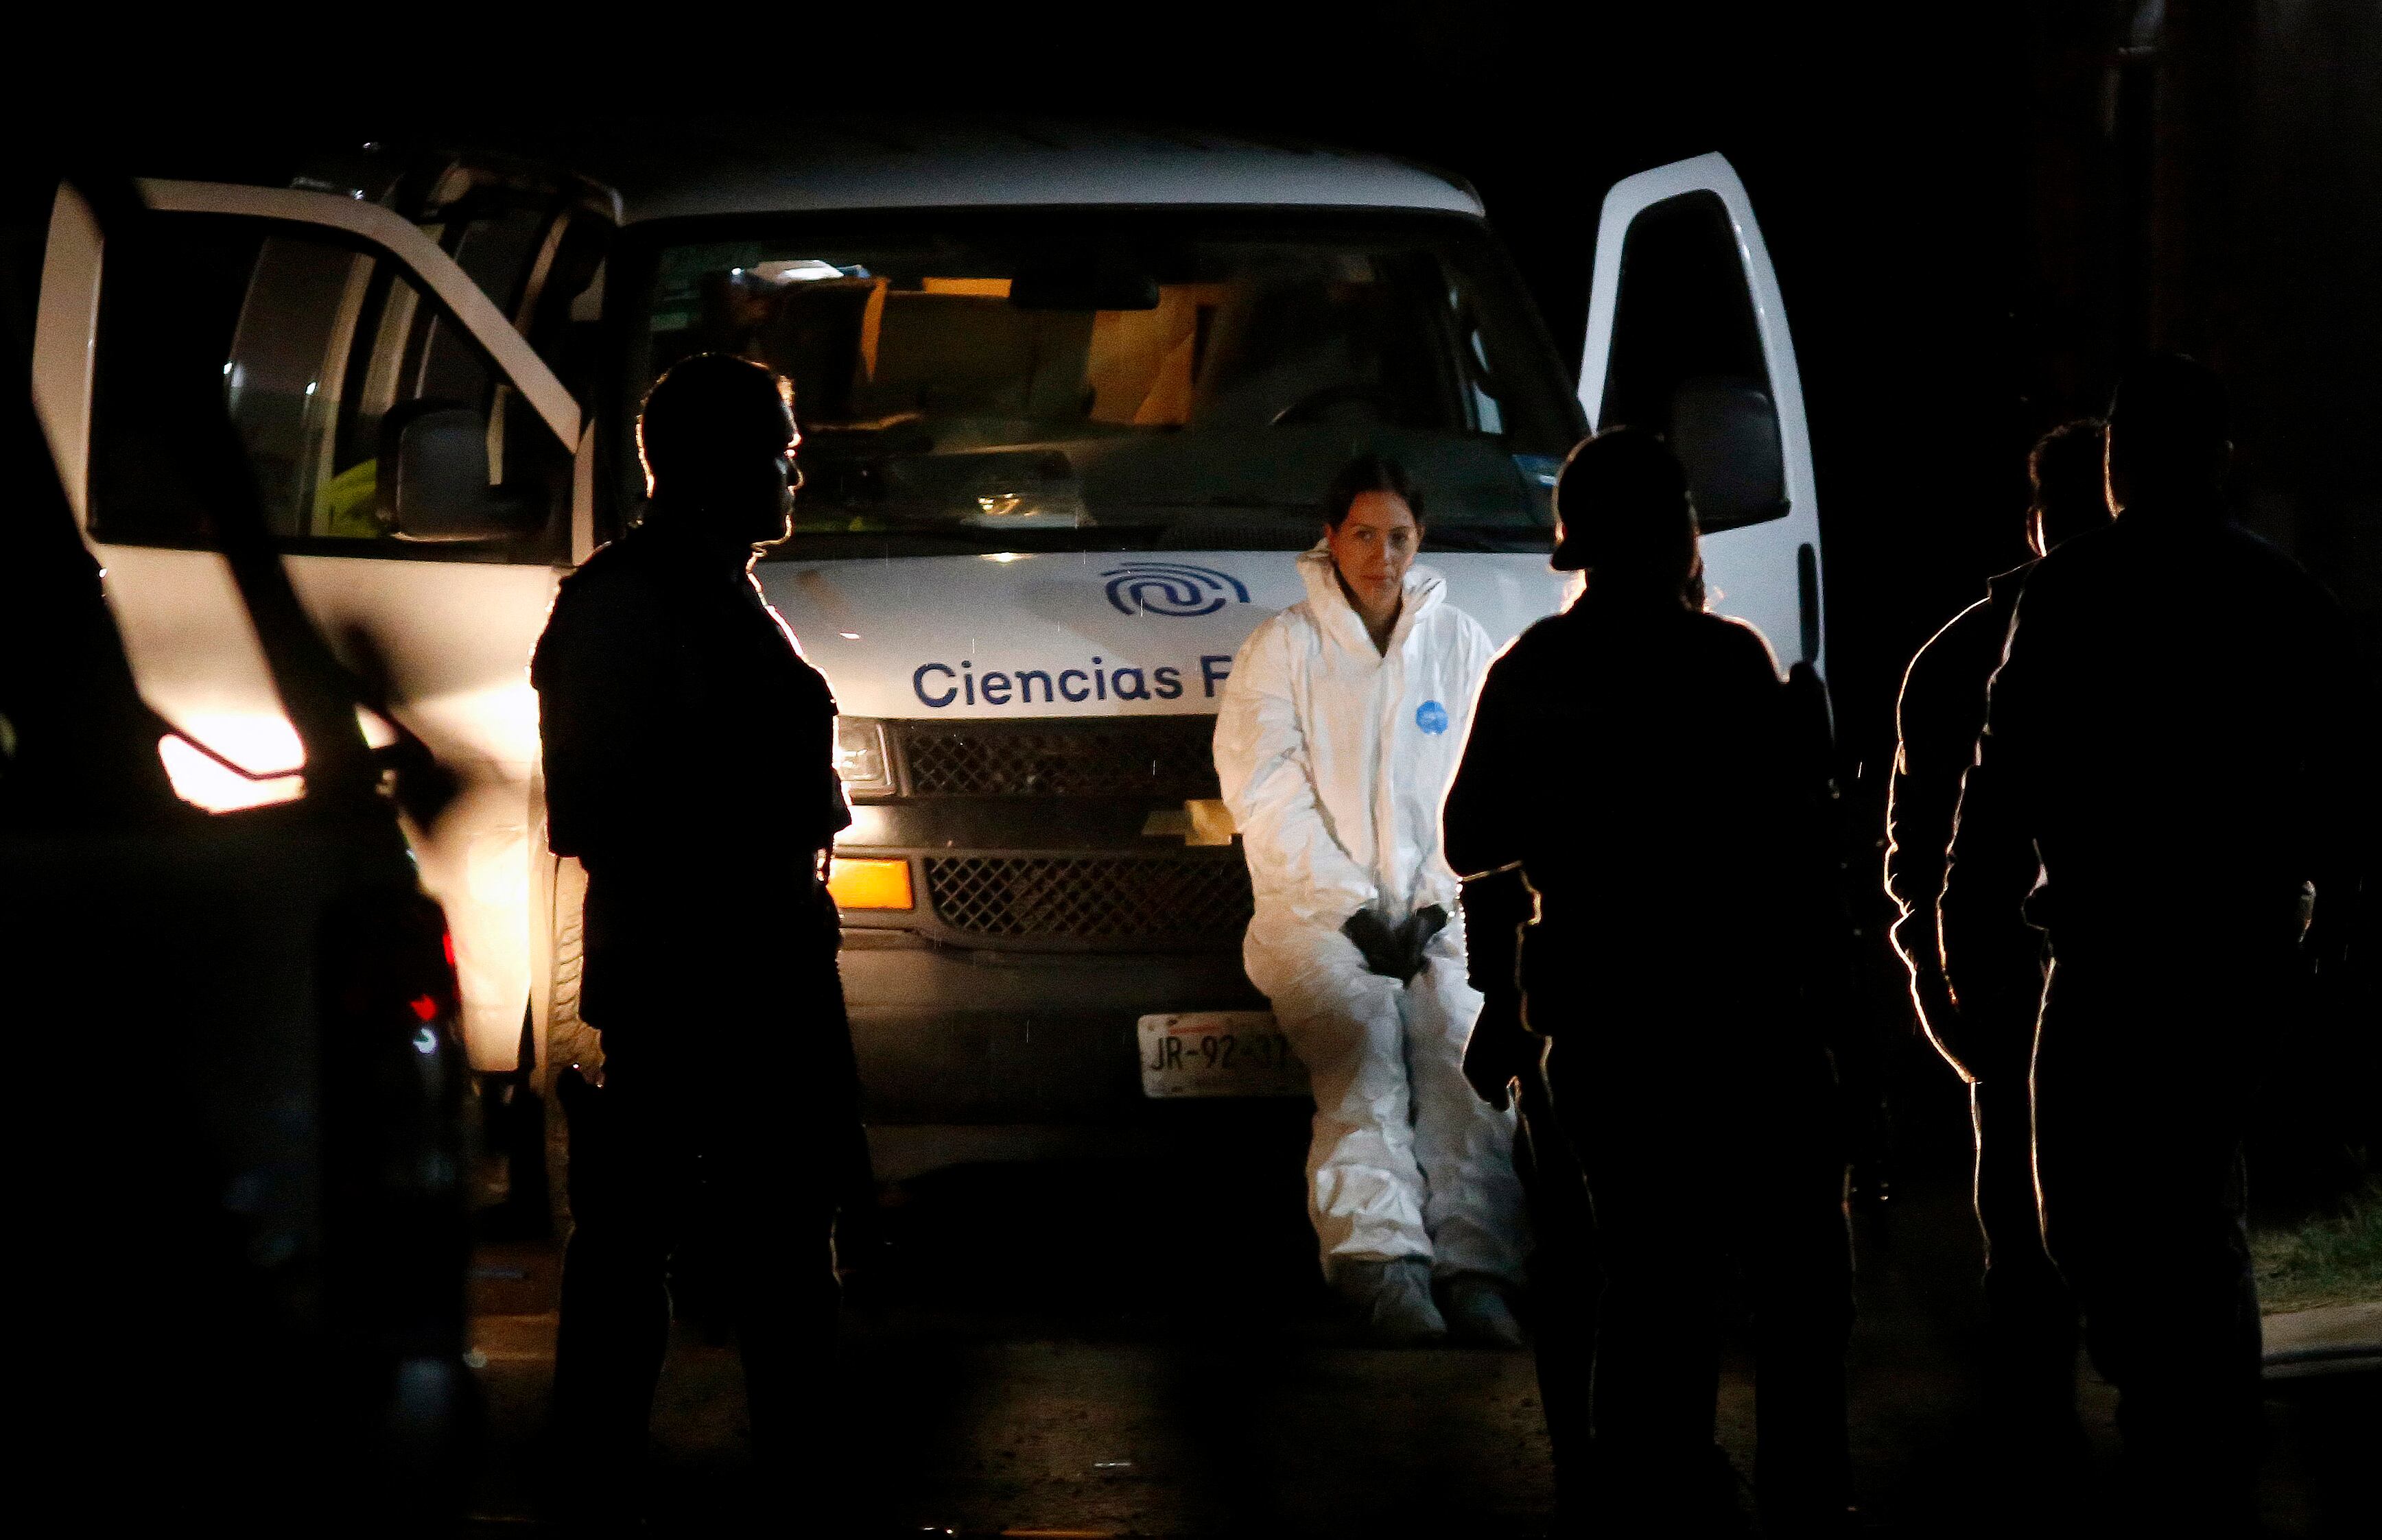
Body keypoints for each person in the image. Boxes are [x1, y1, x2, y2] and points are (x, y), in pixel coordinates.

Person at [1942, 356, 2372, 1517]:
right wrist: (2331, 935)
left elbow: (1999, 779)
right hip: (2231, 954)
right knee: (2188, 1198)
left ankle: (2175, 1415)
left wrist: (1966, 929)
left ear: (2124, 464)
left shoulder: (2071, 593)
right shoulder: (2280, 596)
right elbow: (2348, 785)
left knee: (2089, 1206)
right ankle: (2199, 1426)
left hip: (2113, 951)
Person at [1444, 429, 1852, 1534]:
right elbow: (1791, 852)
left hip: (1601, 1021)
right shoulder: (1726, 662)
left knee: (1645, 1275)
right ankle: (1799, 1504)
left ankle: (1642, 1502)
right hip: (1737, 1017)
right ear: (1677, 534)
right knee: (1796, 1282)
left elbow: (1470, 836)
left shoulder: (1533, 670)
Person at [532, 354, 860, 1500]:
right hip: (698, 974)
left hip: (738, 963)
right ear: (717, 464)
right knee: (679, 1239)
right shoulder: (635, 604)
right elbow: (602, 806)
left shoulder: (699, 592)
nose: (794, 472)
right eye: (779, 449)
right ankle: (616, 1479)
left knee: (753, 1238)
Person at [1213, 453, 1531, 1346]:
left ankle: (1477, 1265)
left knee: (1462, 1044)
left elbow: (1482, 791)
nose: (1380, 556)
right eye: (1362, 535)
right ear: (1331, 537)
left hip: (1441, 915)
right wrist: (1351, 906)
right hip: (1315, 916)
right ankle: (1377, 1259)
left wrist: (1433, 902)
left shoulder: (1460, 646)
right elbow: (1266, 794)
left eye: (1397, 537)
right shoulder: (1283, 650)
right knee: (1363, 1045)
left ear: (1419, 540)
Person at [1884, 418, 2109, 1432]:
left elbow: (1917, 841)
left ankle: (2040, 1429)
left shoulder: (1961, 653)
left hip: (2005, 962)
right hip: (2053, 961)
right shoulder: (2177, 633)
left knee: (2023, 1208)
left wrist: (1927, 960)